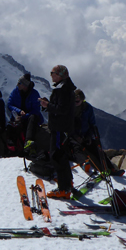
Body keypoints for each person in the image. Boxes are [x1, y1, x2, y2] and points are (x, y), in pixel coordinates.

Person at [39, 65, 76, 198]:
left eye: (53, 73)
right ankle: (67, 183)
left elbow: (62, 109)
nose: (51, 75)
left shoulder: (62, 90)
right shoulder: (65, 88)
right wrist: (49, 104)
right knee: (62, 156)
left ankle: (63, 188)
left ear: (60, 75)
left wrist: (47, 105)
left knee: (57, 156)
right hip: (63, 127)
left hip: (60, 128)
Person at [71, 89, 122, 176]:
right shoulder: (68, 109)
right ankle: (85, 164)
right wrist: (75, 136)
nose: (75, 102)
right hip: (72, 136)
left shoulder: (87, 108)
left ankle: (110, 168)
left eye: (77, 101)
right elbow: (66, 126)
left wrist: (88, 136)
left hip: (85, 135)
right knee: (76, 149)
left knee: (96, 149)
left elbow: (92, 123)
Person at [7, 73, 43, 153]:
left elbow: (36, 111)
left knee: (33, 118)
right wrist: (19, 111)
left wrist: (24, 116)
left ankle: (29, 142)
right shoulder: (15, 91)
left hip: (29, 118)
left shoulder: (34, 94)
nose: (17, 85)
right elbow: (9, 105)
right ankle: (12, 147)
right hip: (18, 117)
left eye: (20, 83)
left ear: (25, 85)